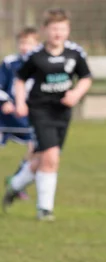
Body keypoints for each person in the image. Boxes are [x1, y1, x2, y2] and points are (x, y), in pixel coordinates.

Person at [3, 8, 92, 221]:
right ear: (45, 30)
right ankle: (45, 209)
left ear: (68, 30)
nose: (58, 33)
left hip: (62, 112)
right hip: (39, 111)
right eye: (54, 29)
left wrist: (76, 93)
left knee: (45, 160)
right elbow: (20, 79)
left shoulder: (75, 53)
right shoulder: (36, 56)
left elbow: (86, 77)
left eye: (62, 29)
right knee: (50, 157)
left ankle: (15, 186)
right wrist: (21, 102)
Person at [0, 26, 39, 207]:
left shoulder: (41, 63)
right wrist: (4, 102)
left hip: (28, 118)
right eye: (22, 43)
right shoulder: (9, 63)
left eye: (29, 43)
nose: (25, 47)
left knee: (35, 149)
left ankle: (17, 180)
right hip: (5, 118)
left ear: (37, 44)